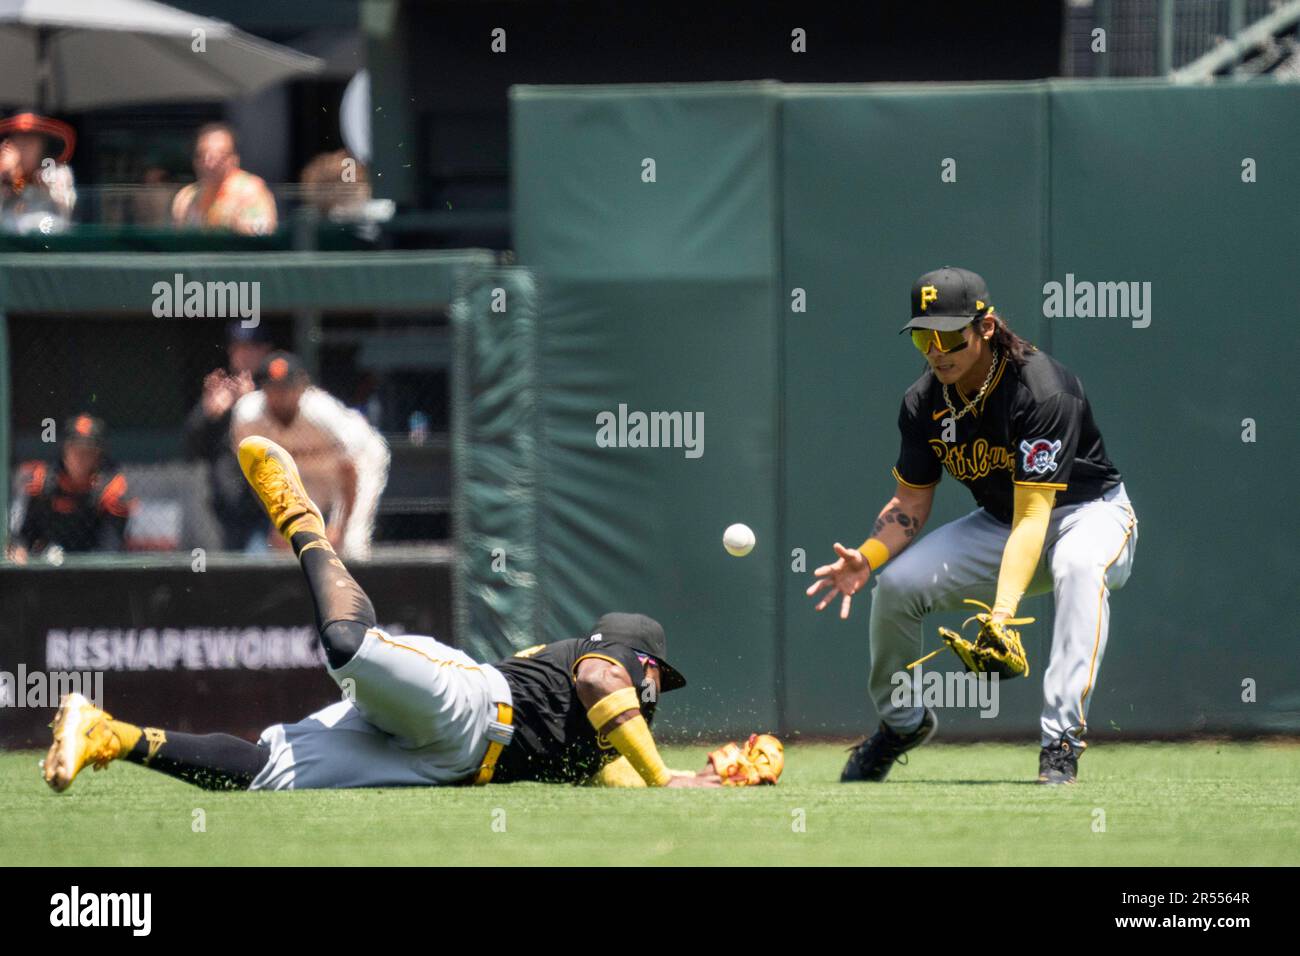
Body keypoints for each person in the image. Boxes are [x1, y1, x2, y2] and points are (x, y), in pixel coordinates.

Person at [41, 438, 785, 792]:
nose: (657, 694)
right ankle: (304, 522)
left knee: (262, 773)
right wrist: (663, 774)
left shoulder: (596, 745)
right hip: (469, 706)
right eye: (659, 678)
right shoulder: (604, 661)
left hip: (444, 764)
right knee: (348, 648)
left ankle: (109, 733)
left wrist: (707, 778)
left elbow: (617, 782)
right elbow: (597, 677)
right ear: (644, 664)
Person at [806, 267, 1138, 785]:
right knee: (896, 586)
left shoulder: (1041, 388)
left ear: (984, 327)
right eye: (922, 336)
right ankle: (901, 725)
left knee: (1078, 567)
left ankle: (1061, 740)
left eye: (948, 335)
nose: (936, 349)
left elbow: (1037, 514)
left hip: (1087, 515)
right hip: (1002, 522)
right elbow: (911, 501)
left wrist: (1001, 617)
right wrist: (867, 557)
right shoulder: (924, 402)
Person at [229, 351, 390, 559]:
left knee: (351, 545)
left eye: (287, 388)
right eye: (273, 388)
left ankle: (357, 590)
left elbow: (349, 470)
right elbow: (257, 474)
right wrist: (278, 519)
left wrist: (339, 528)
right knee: (290, 542)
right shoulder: (248, 416)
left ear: (302, 387)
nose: (280, 395)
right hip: (307, 472)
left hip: (359, 464)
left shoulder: (320, 412)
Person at [184, 321, 274, 551]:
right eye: (237, 348)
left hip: (264, 506)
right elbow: (192, 449)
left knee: (259, 572)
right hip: (222, 508)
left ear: (264, 351)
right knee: (222, 578)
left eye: (249, 348)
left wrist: (250, 402)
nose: (242, 355)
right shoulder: (222, 393)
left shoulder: (275, 390)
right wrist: (207, 413)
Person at [9, 414, 132, 561]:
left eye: (88, 450)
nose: (80, 457)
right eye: (75, 449)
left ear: (98, 455)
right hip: (47, 560)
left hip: (94, 563)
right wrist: (20, 550)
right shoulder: (44, 480)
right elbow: (25, 533)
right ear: (65, 451)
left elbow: (111, 547)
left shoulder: (111, 486)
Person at [171, 122, 277, 235]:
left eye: (220, 156)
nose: (210, 163)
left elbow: (264, 231)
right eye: (202, 155)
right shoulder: (186, 197)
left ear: (234, 159)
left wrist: (241, 226)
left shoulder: (250, 190)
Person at [0, 111, 77, 234]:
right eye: (19, 141)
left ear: (42, 147)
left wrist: (15, 174)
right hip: (10, 247)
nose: (23, 147)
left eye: (30, 142)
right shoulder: (4, 174)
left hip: (49, 244)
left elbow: (63, 204)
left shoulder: (56, 172)